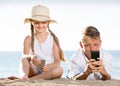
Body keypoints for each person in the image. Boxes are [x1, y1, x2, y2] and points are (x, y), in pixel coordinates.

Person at [8, 4, 65, 80]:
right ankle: (24, 76)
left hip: (48, 71)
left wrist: (49, 67)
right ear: (32, 22)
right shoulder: (28, 39)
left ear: (48, 23)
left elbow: (57, 62)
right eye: (37, 22)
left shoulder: (53, 39)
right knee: (23, 59)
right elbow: (25, 58)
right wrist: (31, 58)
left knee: (59, 70)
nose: (40, 25)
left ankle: (27, 80)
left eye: (43, 22)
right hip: (33, 70)